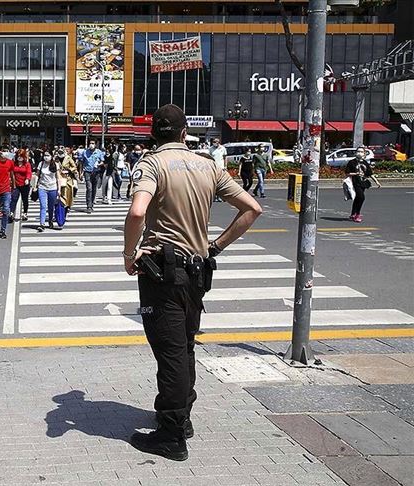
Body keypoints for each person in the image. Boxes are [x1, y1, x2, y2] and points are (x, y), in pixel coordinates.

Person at [122, 104, 262, 461]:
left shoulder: (152, 164)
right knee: (184, 347)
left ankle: (171, 435)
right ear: (185, 133)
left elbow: (137, 211)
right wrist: (216, 246)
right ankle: (181, 418)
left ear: (153, 134)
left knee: (169, 352)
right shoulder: (208, 165)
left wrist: (128, 254)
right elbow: (251, 208)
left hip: (162, 273)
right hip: (197, 271)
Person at [346, 146, 381, 223]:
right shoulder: (352, 162)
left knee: (357, 198)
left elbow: (370, 174)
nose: (359, 153)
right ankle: (357, 214)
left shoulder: (365, 163)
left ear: (364, 154)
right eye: (358, 151)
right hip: (355, 182)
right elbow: (347, 173)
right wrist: (356, 173)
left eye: (361, 152)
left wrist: (376, 182)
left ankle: (353, 214)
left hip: (363, 182)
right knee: (361, 197)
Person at [36, 151, 61, 232]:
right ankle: (42, 224)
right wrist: (34, 186)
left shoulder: (55, 164)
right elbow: (37, 175)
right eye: (45, 155)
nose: (46, 157)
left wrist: (59, 189)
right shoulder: (41, 164)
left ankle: (50, 220)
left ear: (51, 156)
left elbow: (58, 178)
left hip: (53, 188)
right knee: (43, 206)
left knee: (51, 206)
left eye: (48, 155)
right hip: (42, 187)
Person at [78, 140, 105, 213]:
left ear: (95, 145)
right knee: (89, 188)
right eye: (90, 143)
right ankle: (89, 206)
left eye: (93, 143)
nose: (91, 145)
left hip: (96, 172)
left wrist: (99, 164)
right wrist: (80, 173)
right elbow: (81, 163)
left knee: (94, 189)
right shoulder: (85, 152)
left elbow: (102, 161)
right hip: (87, 172)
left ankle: (92, 203)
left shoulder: (99, 152)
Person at [11, 149, 33, 222]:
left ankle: (25, 213)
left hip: (24, 184)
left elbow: (29, 172)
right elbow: (11, 172)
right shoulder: (14, 164)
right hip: (16, 184)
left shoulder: (27, 164)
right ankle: (11, 213)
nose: (19, 157)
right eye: (18, 156)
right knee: (14, 198)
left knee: (25, 199)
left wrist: (27, 179)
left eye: (21, 156)